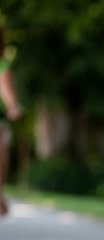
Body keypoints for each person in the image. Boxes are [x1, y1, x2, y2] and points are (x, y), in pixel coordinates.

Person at [0, 27, 23, 217]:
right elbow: (6, 92)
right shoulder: (2, 66)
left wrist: (13, 107)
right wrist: (14, 108)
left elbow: (5, 91)